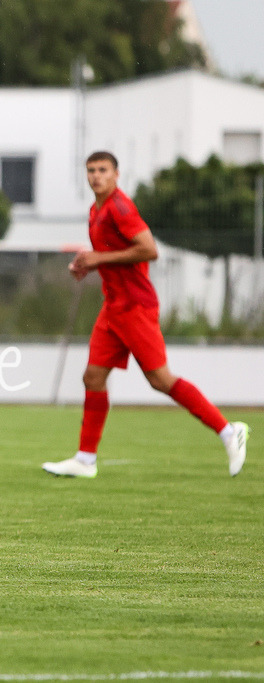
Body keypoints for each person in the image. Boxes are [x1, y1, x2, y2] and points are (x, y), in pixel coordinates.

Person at [42, 150, 249, 479]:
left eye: (103, 170)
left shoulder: (120, 207)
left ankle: (228, 431)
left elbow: (149, 249)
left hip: (136, 307)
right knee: (93, 377)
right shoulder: (96, 210)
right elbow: (111, 254)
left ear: (116, 174)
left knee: (161, 380)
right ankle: (85, 459)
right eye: (91, 170)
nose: (96, 176)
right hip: (113, 307)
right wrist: (88, 264)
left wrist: (98, 259)